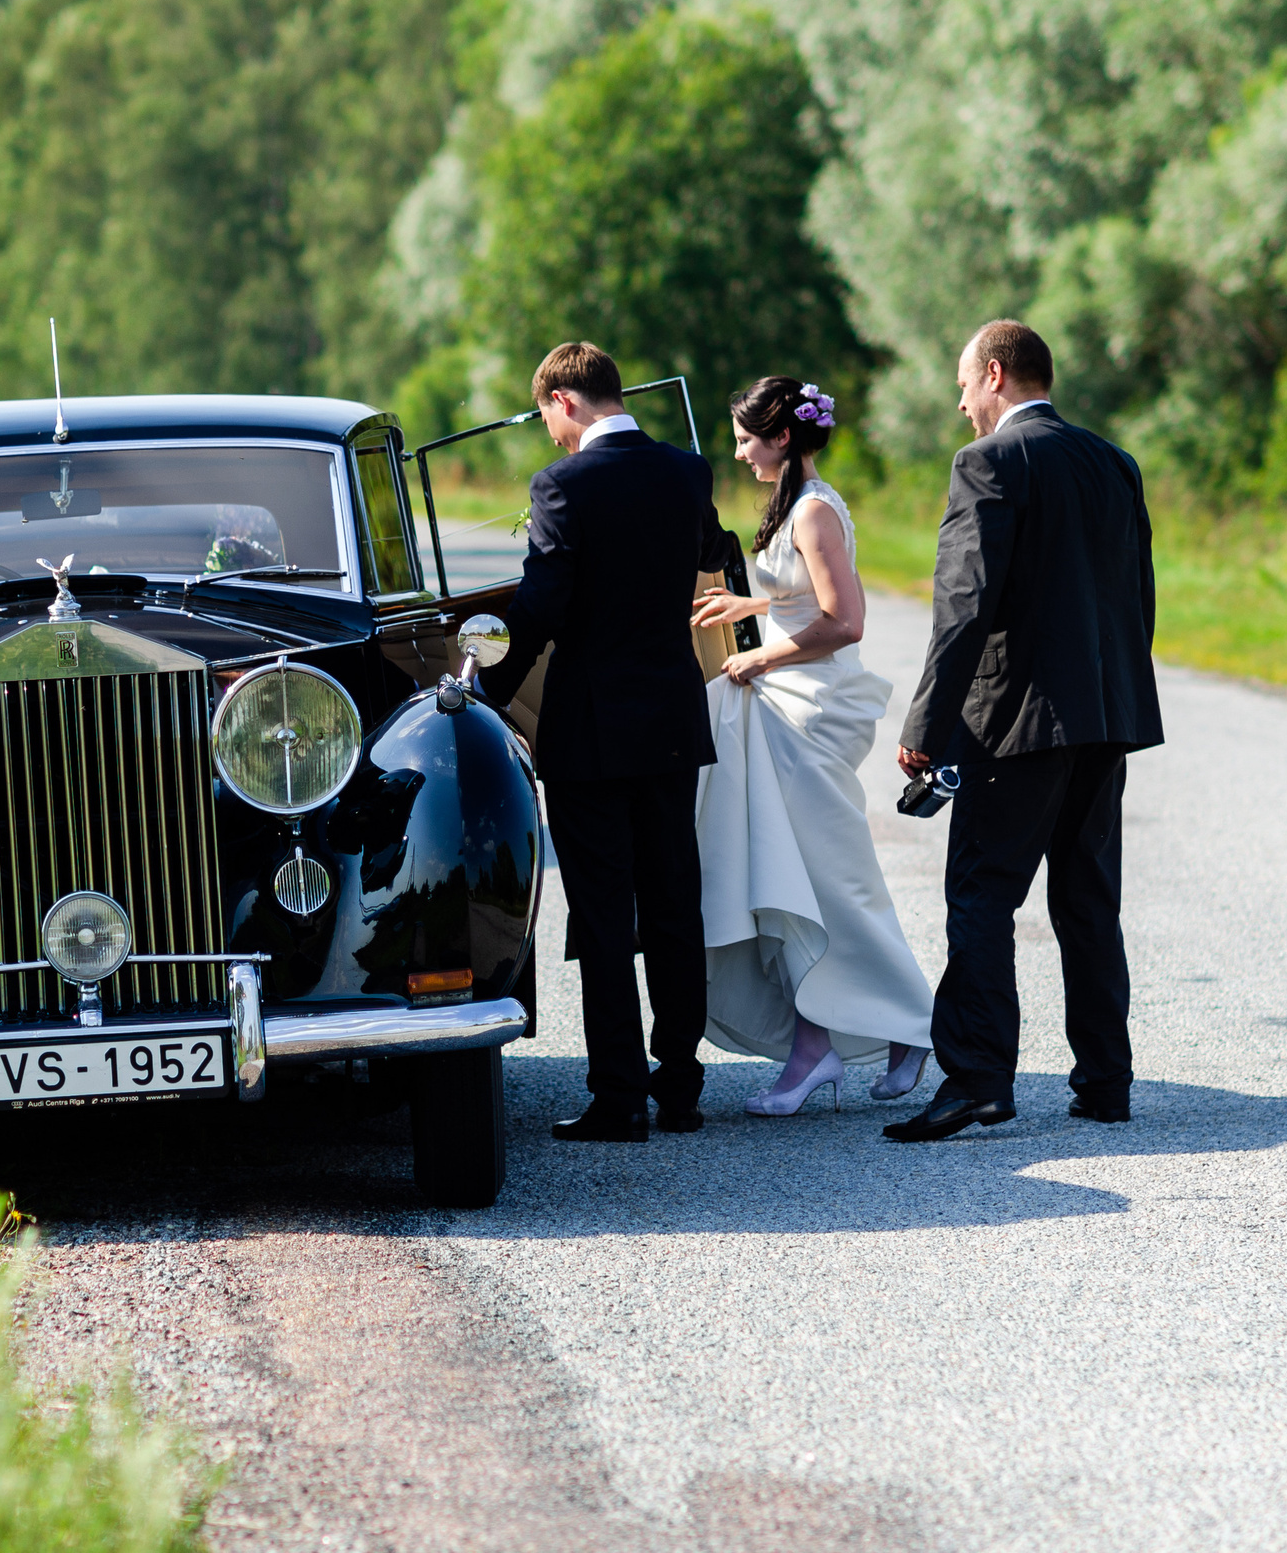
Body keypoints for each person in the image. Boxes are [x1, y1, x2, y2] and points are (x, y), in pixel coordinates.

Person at [886, 321, 1163, 1142]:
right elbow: (1135, 596)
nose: (962, 401)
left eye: (966, 383)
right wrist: (1113, 699)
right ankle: (1106, 1082)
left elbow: (963, 608)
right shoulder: (1114, 462)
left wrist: (927, 722)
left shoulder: (990, 462)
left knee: (980, 894)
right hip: (1104, 718)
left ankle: (976, 1082)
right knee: (1087, 900)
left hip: (1014, 724)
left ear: (997, 374)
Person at [481, 342, 725, 1143]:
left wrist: (481, 681)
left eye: (547, 418)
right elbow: (710, 557)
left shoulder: (563, 485)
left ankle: (619, 1095)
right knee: (672, 902)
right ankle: (681, 1087)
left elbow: (544, 604)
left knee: (604, 911)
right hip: (671, 721)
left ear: (562, 402)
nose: (550, 435)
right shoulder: (688, 472)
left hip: (590, 727)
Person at [690, 379, 936, 1115]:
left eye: (745, 438)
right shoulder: (801, 506)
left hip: (808, 709)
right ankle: (818, 1041)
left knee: (831, 882)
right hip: (786, 704)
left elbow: (845, 620)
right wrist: (753, 606)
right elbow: (805, 594)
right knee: (795, 878)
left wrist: (758, 656)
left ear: (783, 437)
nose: (737, 453)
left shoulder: (815, 510)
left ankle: (909, 1025)